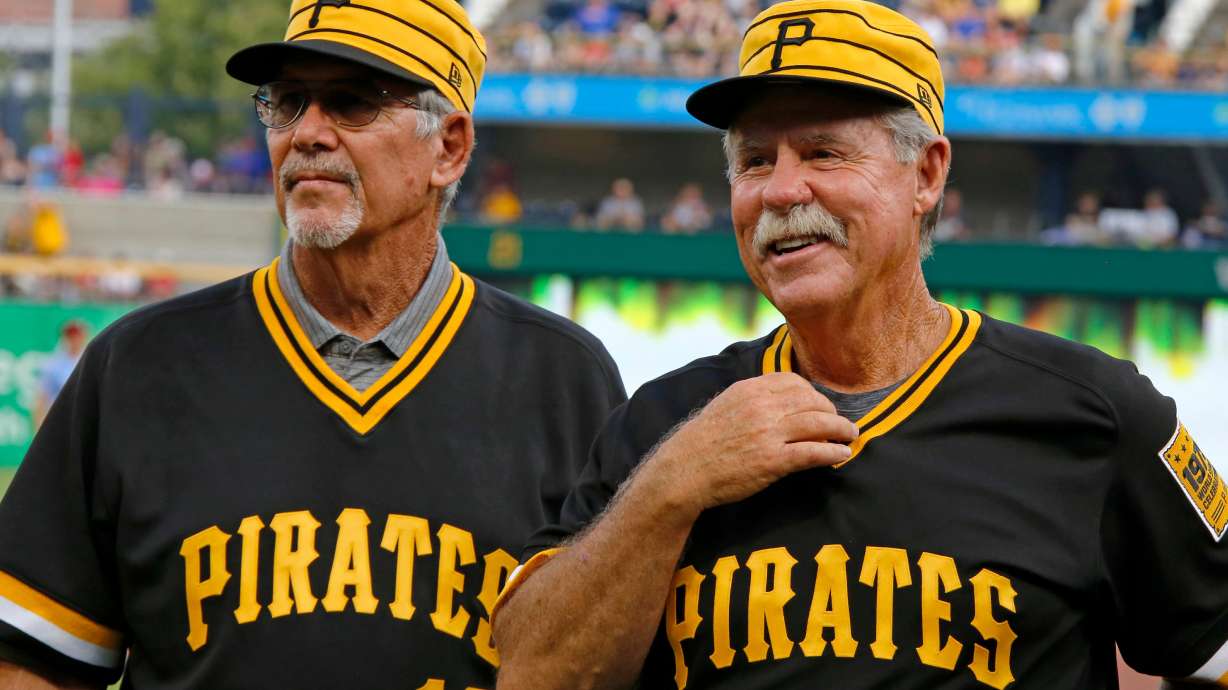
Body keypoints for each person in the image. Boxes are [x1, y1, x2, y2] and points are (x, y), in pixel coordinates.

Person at [491, 2, 1228, 689]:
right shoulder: (664, 425)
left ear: (927, 175)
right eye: (754, 160)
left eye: (823, 152)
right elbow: (529, 672)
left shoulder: (1092, 413)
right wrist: (670, 487)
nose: (781, 190)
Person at [0, 1, 625, 689]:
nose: (307, 133)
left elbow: (608, 663)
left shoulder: (564, 379)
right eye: (289, 102)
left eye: (352, 104)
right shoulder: (138, 365)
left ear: (448, 148)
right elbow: (33, 660)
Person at [32, 321, 89, 430]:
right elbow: (42, 398)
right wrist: (39, 429)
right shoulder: (53, 364)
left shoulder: (92, 361)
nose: (75, 340)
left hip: (84, 422)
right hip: (59, 422)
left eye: (77, 335)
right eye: (71, 336)